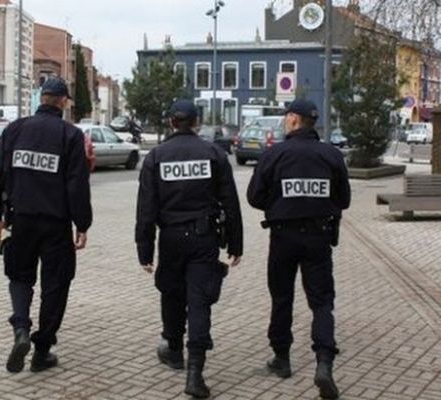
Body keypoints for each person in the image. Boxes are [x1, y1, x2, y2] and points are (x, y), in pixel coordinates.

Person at [135, 99, 243, 399]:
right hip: (204, 238)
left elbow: (145, 209)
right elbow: (230, 202)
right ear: (196, 123)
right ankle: (195, 372)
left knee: (171, 293)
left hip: (170, 238)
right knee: (199, 301)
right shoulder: (213, 154)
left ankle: (172, 348)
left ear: (172, 122)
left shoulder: (156, 156)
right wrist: (236, 243)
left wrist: (144, 250)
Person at [0, 77, 92, 374]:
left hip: (19, 221)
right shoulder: (70, 136)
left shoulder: (15, 129)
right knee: (55, 284)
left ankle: (21, 328)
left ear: (40, 98)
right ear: (63, 102)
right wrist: (82, 224)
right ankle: (42, 350)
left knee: (20, 276)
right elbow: (77, 186)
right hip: (56, 225)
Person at [246, 99, 351, 399]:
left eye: (285, 117)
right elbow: (343, 200)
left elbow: (254, 196)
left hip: (283, 236)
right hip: (318, 237)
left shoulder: (274, 154)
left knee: (282, 297)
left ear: (293, 120)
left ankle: (281, 359)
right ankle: (324, 363)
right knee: (321, 301)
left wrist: (279, 204)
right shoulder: (331, 155)